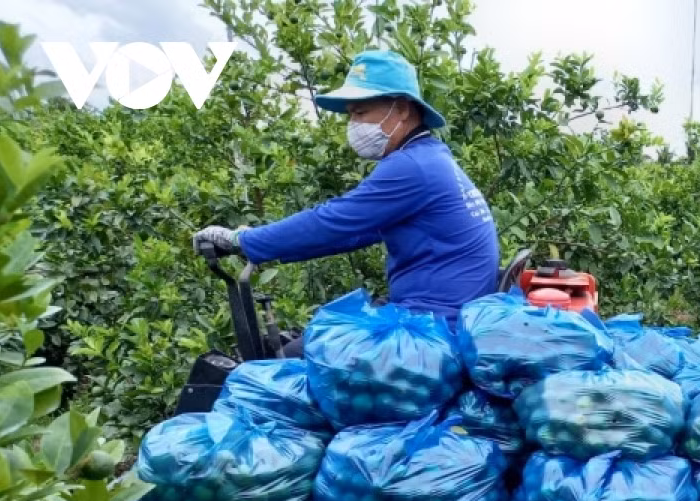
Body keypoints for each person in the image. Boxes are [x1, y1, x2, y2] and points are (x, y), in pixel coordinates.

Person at [193, 49, 500, 353]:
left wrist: (241, 241)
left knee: (288, 362)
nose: (353, 124)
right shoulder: (430, 157)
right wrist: (262, 245)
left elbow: (330, 222)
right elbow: (353, 232)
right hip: (438, 317)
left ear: (403, 109)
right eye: (351, 114)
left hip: (430, 328)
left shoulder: (411, 167)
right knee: (307, 339)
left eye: (361, 112)